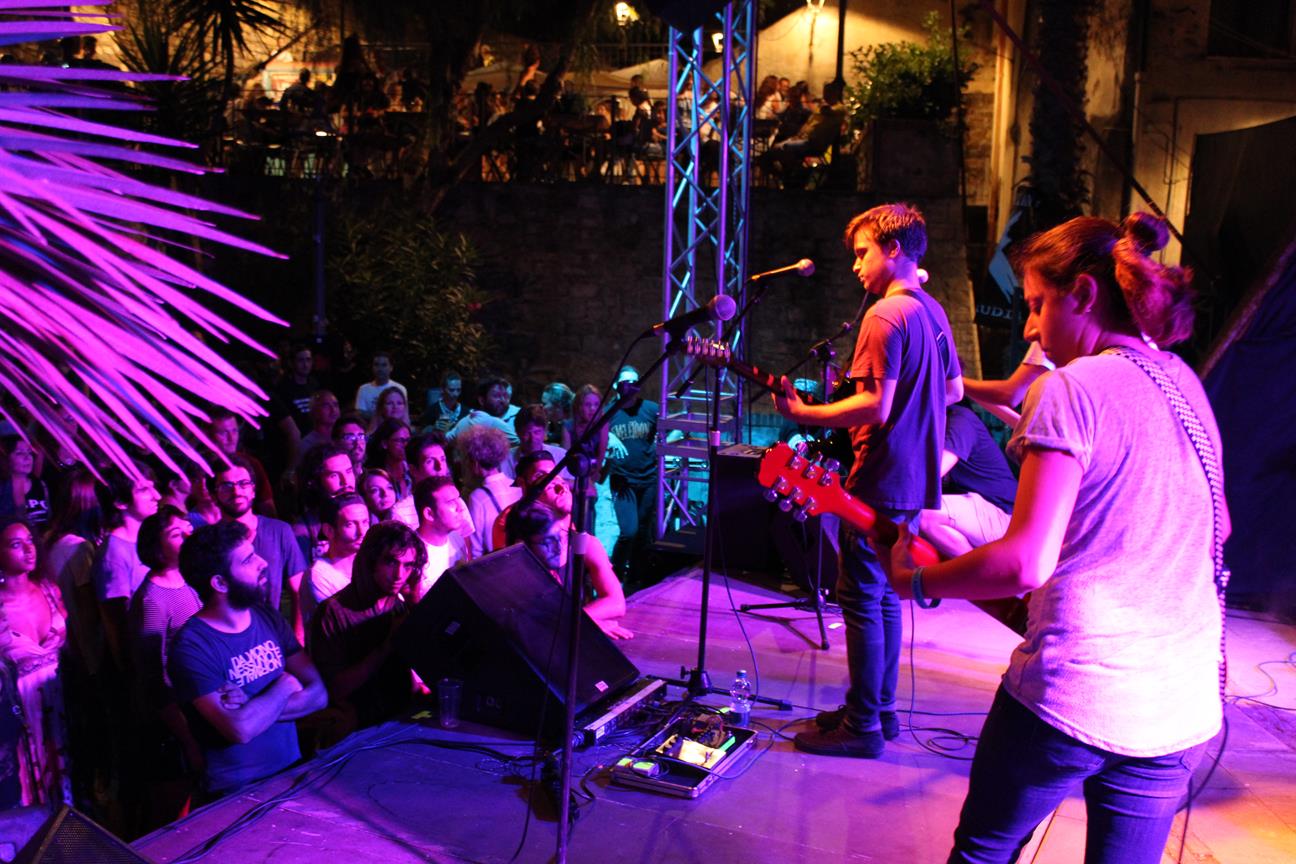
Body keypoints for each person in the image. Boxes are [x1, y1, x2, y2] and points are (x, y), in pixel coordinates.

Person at [881, 213, 1222, 864]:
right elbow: (1215, 529)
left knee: (983, 852)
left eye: (1037, 305)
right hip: (1178, 706)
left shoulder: (1070, 387)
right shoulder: (1186, 383)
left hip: (1075, 697)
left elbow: (1024, 563)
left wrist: (916, 580)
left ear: (1084, 295)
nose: (1030, 329)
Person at [772, 203, 962, 758]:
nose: (856, 266)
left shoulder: (883, 317)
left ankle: (861, 729)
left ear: (893, 249)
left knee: (858, 598)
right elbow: (953, 391)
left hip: (880, 474)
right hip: (915, 478)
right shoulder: (933, 311)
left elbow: (875, 406)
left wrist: (804, 414)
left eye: (862, 253)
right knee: (883, 597)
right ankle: (879, 712)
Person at [169, 522, 327, 800]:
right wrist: (286, 684)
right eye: (247, 559)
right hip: (235, 792)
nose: (262, 563)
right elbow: (240, 729)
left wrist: (253, 705)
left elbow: (319, 695)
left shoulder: (267, 617)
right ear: (220, 583)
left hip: (291, 773)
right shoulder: (192, 647)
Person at [308, 521, 426, 731]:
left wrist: (414, 605)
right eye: (391, 562)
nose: (399, 575)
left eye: (408, 565)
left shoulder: (397, 603)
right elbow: (334, 690)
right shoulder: (333, 612)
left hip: (402, 718)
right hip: (359, 730)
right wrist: (385, 647)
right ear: (371, 561)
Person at [128, 506, 202, 828]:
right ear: (157, 548)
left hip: (197, 706)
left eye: (186, 528)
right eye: (176, 533)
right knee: (174, 816)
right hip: (171, 721)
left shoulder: (190, 580)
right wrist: (187, 738)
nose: (187, 535)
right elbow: (154, 678)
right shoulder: (152, 600)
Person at [0, 517, 73, 806]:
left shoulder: (49, 589)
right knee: (33, 787)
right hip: (23, 710)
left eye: (30, 540)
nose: (29, 549)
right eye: (16, 544)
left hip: (64, 697)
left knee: (72, 776)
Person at [209, 457, 307, 641]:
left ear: (253, 490)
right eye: (226, 486)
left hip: (273, 635)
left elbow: (299, 589)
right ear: (214, 495)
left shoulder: (280, 531)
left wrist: (298, 639)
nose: (236, 491)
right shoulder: (209, 540)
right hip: (229, 639)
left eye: (243, 483)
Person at [505, 502, 632, 639]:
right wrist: (577, 623)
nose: (558, 547)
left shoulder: (581, 543)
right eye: (547, 542)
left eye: (560, 536)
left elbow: (616, 603)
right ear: (521, 544)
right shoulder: (508, 571)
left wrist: (576, 622)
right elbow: (521, 629)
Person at [917, 404, 1018, 558]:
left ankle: (979, 572)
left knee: (924, 512)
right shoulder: (931, 425)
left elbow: (931, 476)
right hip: (980, 513)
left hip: (1004, 517)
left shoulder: (960, 420)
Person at [92, 466, 162, 670]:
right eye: (144, 490)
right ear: (120, 502)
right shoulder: (114, 553)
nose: (156, 496)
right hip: (144, 660)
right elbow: (118, 624)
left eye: (153, 487)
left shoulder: (150, 538)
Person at [606, 366, 659, 587]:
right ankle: (614, 576)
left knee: (644, 532)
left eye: (634, 383)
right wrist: (609, 437)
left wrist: (661, 444)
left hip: (648, 479)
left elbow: (675, 429)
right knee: (629, 531)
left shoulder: (651, 409)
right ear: (617, 386)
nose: (629, 387)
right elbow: (595, 434)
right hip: (623, 480)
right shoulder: (609, 412)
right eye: (624, 383)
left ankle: (637, 579)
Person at [302, 493, 370, 623]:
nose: (362, 532)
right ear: (328, 530)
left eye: (365, 522)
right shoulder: (319, 576)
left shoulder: (369, 563)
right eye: (350, 524)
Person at [458, 425, 522, 559]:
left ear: (475, 462)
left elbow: (476, 549)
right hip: (520, 557)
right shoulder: (518, 487)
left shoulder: (477, 497)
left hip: (497, 562)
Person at [410, 476, 470, 602]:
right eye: (451, 502)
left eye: (458, 499)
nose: (460, 507)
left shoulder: (456, 538)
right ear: (429, 514)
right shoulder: (412, 554)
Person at [389, 431, 451, 528]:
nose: (440, 467)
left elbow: (467, 537)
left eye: (442, 459)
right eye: (430, 461)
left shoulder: (456, 501)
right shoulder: (400, 513)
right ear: (413, 470)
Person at [0, 435, 51, 528]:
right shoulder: (3, 488)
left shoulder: (40, 484)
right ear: (6, 458)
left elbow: (49, 519)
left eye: (29, 452)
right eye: (19, 453)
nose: (27, 458)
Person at [354, 352, 407, 421]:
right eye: (376, 365)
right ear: (372, 367)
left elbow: (403, 415)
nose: (380, 369)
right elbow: (360, 413)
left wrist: (371, 415)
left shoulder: (400, 388)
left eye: (384, 365)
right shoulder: (363, 389)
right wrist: (386, 415)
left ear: (391, 368)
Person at [419, 370, 464, 435]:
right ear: (442, 390)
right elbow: (420, 433)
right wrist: (432, 428)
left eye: (458, 390)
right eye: (451, 390)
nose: (456, 394)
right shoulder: (432, 410)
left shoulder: (466, 412)